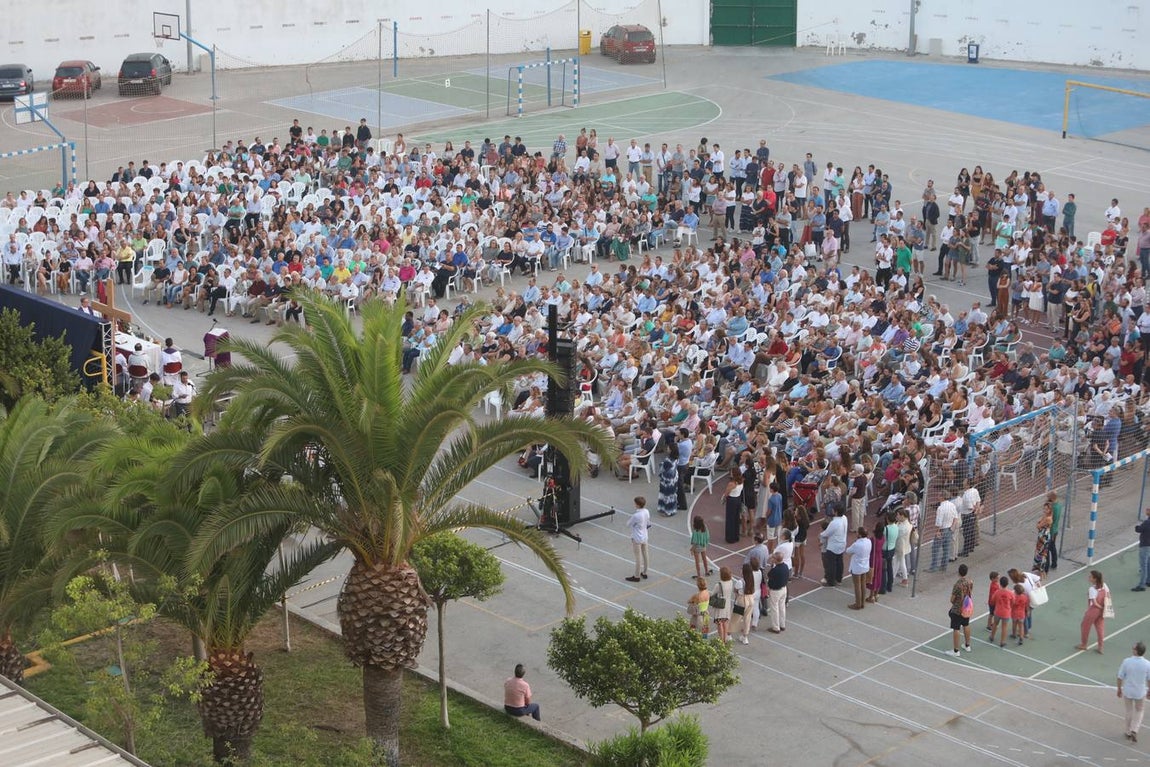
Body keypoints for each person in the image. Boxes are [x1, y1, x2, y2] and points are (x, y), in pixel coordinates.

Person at [1117, 641, 1150, 743]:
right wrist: (1149, 689)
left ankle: (1127, 731)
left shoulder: (1127, 661)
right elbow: (1149, 679)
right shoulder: (1147, 664)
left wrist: (1119, 688)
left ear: (1136, 651)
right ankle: (1135, 729)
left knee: (1129, 710)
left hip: (1128, 690)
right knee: (1140, 710)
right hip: (1140, 691)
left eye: (1133, 648)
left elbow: (1120, 676)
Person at [1077, 569, 1109, 654]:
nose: (1089, 577)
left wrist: (1099, 607)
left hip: (1094, 610)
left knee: (1085, 626)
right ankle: (1100, 647)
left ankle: (1084, 644)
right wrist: (1104, 608)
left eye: (1090, 576)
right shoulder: (1104, 586)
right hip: (1102, 611)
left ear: (1095, 579)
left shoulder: (1092, 589)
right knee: (1100, 628)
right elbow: (1108, 596)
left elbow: (1094, 603)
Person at [928, 495, 959, 573]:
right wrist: (952, 528)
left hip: (942, 530)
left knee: (935, 549)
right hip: (949, 529)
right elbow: (956, 518)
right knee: (946, 549)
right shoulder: (952, 505)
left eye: (939, 495)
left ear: (942, 497)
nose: (937, 497)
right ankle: (944, 566)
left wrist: (938, 531)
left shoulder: (940, 508)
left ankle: (933, 567)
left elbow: (939, 522)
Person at [948, 563, 974, 656]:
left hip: (958, 609)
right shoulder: (969, 582)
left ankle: (956, 650)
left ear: (958, 572)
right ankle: (967, 645)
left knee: (956, 628)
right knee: (966, 624)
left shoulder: (957, 585)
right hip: (966, 607)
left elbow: (952, 599)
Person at [820, 507, 848, 587]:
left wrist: (821, 535)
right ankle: (839, 579)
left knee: (831, 565)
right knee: (839, 562)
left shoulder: (834, 522)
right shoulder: (844, 518)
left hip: (833, 546)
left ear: (836, 512)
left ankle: (831, 581)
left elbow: (826, 533)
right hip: (842, 543)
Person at [845, 526, 872, 610]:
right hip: (865, 565)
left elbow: (848, 551)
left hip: (857, 567)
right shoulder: (869, 541)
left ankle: (858, 604)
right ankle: (862, 602)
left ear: (859, 535)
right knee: (863, 584)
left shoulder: (857, 544)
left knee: (857, 585)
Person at [624, 495, 650, 583]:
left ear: (638, 505)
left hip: (637, 537)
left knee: (638, 557)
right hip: (645, 536)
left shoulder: (636, 515)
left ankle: (637, 575)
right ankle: (645, 572)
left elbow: (628, 524)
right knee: (645, 554)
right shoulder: (646, 511)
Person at [765, 551, 789, 633]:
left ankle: (776, 627)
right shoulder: (786, 566)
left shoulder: (775, 570)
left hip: (776, 591)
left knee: (774, 608)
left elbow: (769, 574)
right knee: (782, 607)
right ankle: (782, 625)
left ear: (775, 560)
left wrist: (772, 566)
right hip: (784, 589)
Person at [711, 566, 735, 643]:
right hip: (727, 605)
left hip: (720, 606)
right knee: (725, 622)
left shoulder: (719, 585)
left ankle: (721, 639)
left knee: (719, 623)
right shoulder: (731, 582)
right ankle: (725, 637)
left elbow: (713, 594)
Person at [736, 562, 758, 644]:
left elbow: (736, 590)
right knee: (747, 619)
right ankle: (745, 637)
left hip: (742, 599)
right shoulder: (752, 580)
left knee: (735, 618)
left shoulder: (740, 582)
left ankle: (729, 635)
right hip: (751, 599)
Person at [990, 574, 1014, 648]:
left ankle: (992, 636)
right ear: (1007, 584)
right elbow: (1013, 602)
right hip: (1006, 613)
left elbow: (992, 601)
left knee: (995, 624)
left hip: (997, 611)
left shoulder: (997, 592)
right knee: (1004, 627)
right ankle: (1002, 642)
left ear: (1000, 583)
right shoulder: (1010, 593)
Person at [723, 466, 744, 544]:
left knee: (730, 519)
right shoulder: (741, 481)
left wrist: (723, 498)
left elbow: (726, 493)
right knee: (736, 518)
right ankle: (736, 536)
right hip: (738, 499)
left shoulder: (731, 483)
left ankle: (730, 538)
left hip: (731, 500)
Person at [1046, 491, 1063, 571]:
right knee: (1052, 547)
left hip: (1051, 531)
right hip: (1055, 530)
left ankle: (1049, 565)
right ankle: (1054, 563)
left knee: (1049, 548)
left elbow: (1052, 520)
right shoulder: (1059, 505)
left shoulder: (1054, 508)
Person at [1134, 507, 1150, 592]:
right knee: (1148, 563)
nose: (1146, 510)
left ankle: (1142, 585)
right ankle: (1148, 581)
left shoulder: (1147, 522)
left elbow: (1138, 529)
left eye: (1148, 509)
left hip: (1145, 545)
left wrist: (1137, 526)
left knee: (1143, 565)